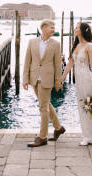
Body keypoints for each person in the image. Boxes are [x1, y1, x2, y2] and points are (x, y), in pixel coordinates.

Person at [23, 19, 66, 147]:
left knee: (43, 107)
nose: (53, 30)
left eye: (54, 28)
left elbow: (58, 65)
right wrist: (25, 79)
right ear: (43, 28)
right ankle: (58, 128)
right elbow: (27, 61)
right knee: (46, 104)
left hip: (47, 78)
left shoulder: (56, 44)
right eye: (51, 27)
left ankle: (42, 137)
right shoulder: (32, 42)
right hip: (34, 78)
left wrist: (58, 82)